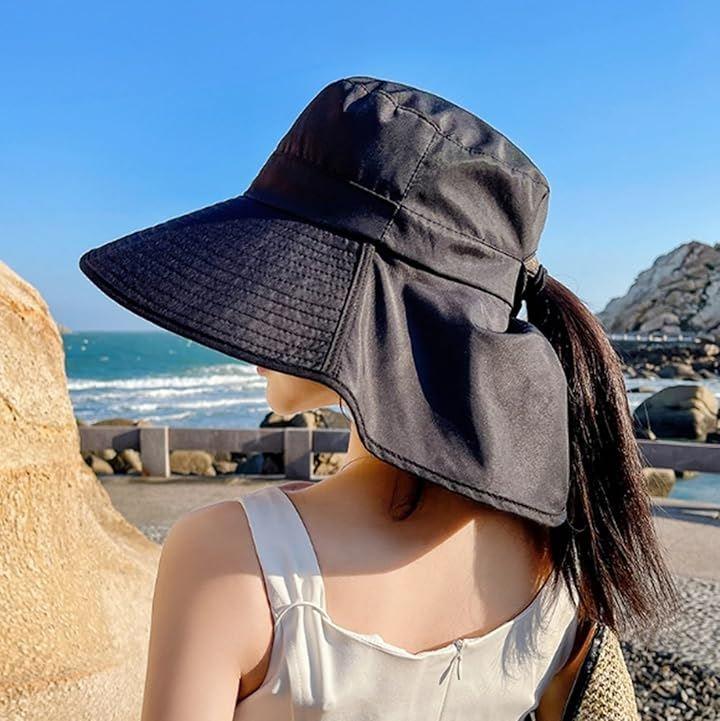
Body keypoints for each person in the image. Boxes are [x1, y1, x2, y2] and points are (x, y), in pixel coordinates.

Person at [78, 76, 677, 720]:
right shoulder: (560, 552)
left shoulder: (229, 557)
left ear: (366, 308)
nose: (253, 317)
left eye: (286, 279)